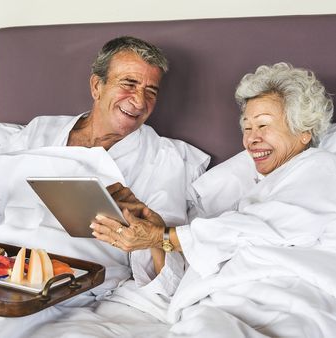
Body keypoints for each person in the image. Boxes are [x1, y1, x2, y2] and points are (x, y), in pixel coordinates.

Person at [0, 36, 209, 337]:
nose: (140, 99)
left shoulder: (163, 157)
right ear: (96, 86)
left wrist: (143, 227)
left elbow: (165, 248)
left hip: (60, 272)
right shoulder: (40, 130)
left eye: (151, 90)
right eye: (129, 83)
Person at [81, 62, 336, 337]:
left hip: (282, 296)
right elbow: (204, 257)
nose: (252, 140)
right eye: (247, 128)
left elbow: (259, 228)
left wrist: (161, 236)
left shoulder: (321, 167)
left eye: (263, 125)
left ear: (304, 131)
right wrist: (156, 234)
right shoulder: (255, 188)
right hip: (222, 301)